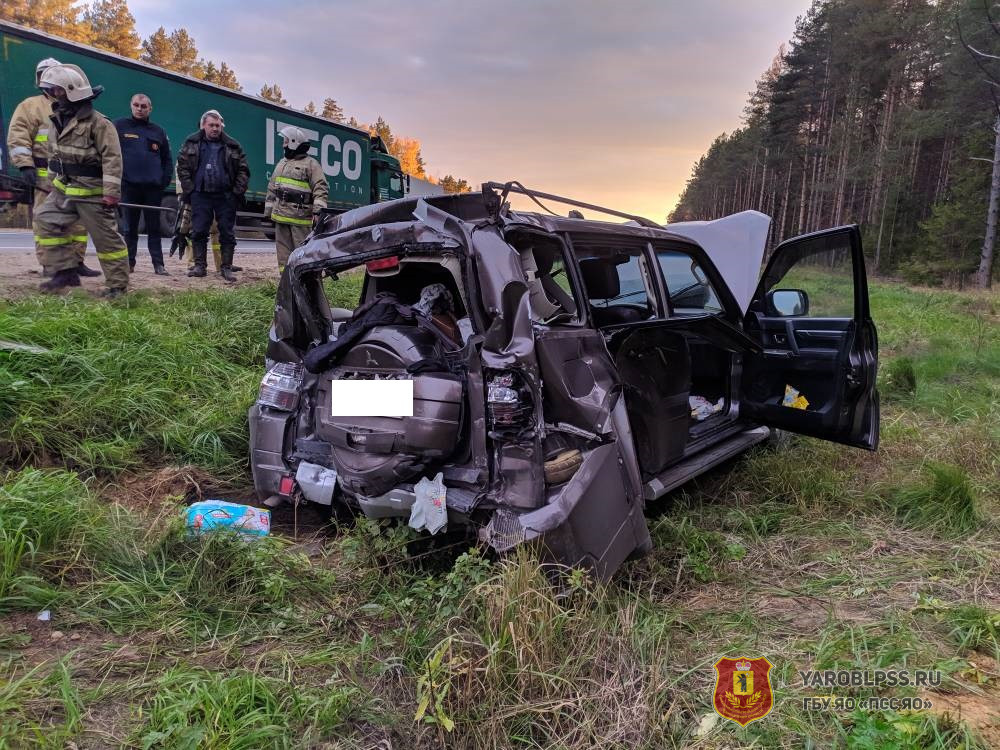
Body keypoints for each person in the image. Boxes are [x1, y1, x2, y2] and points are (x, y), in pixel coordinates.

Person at [33, 64, 130, 297]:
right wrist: (50, 182)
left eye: (56, 90)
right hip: (63, 189)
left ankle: (117, 286)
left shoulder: (99, 123)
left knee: (106, 241)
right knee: (45, 219)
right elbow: (54, 155)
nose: (52, 94)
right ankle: (65, 272)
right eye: (51, 90)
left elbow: (112, 158)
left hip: (91, 192)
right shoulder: (57, 119)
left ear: (71, 91)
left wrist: (111, 193)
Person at [6, 57, 100, 279]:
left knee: (77, 222)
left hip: (73, 176)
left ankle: (76, 262)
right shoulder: (30, 106)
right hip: (43, 178)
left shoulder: (75, 105)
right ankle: (51, 264)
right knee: (46, 222)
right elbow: (18, 137)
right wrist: (24, 166)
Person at [175, 109, 249, 282]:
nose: (215, 128)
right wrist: (190, 190)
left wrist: (236, 192)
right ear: (204, 125)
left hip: (225, 197)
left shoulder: (233, 146)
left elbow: (243, 170)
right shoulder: (192, 143)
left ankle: (226, 267)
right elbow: (182, 166)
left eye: (218, 125)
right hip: (200, 195)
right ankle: (200, 266)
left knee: (227, 233)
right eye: (211, 125)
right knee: (199, 231)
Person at [114, 93, 172, 274]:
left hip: (152, 189)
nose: (140, 109)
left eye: (144, 106)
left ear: (150, 109)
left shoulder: (158, 131)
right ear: (131, 106)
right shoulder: (119, 126)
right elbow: (111, 155)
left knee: (154, 228)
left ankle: (158, 265)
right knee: (129, 228)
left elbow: (167, 160)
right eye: (137, 105)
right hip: (129, 186)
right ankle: (129, 263)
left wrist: (162, 183)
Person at [265, 125, 328, 272]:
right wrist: (268, 212)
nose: (283, 145)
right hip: (280, 218)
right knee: (283, 257)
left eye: (285, 141)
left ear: (294, 142)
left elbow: (321, 187)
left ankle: (306, 285)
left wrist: (318, 211)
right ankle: (286, 286)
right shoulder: (282, 163)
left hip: (300, 220)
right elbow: (272, 188)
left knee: (303, 255)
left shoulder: (311, 164)